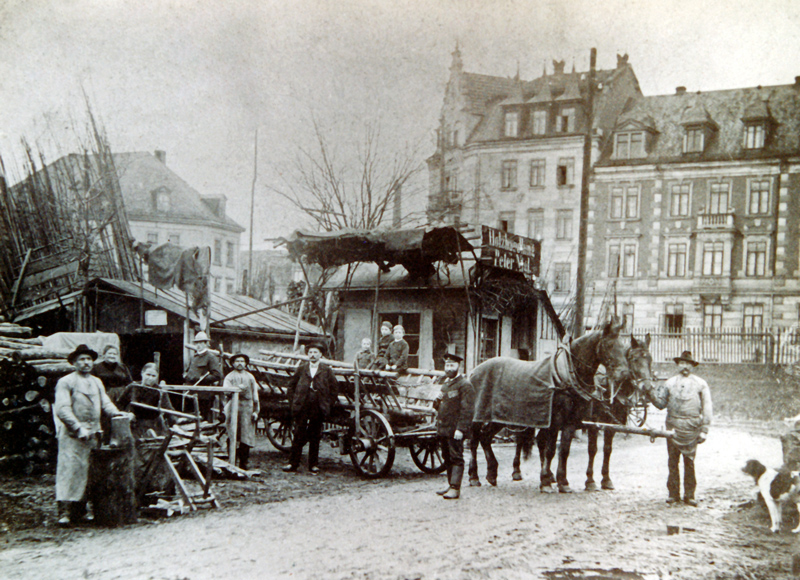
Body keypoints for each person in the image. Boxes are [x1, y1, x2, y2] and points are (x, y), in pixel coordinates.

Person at [53, 344, 127, 526]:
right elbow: (62, 409)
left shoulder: (96, 382)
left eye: (88, 359)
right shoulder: (66, 382)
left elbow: (106, 403)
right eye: (82, 360)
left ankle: (83, 511)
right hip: (73, 435)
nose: (86, 363)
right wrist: (78, 428)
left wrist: (117, 413)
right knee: (70, 472)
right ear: (74, 363)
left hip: (93, 434)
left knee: (89, 473)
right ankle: (65, 513)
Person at [643, 350, 713, 507]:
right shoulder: (670, 382)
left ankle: (689, 495)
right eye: (682, 363)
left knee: (689, 462)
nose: (685, 366)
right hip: (673, 427)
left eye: (688, 363)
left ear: (692, 366)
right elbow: (661, 404)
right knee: (672, 461)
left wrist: (704, 430)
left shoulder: (701, 384)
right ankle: (673, 494)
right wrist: (649, 392)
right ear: (678, 365)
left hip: (691, 428)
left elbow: (707, 408)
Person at [283, 342, 339, 474]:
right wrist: (294, 402)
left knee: (315, 435)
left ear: (320, 355)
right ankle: (293, 463)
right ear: (307, 355)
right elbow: (291, 386)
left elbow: (334, 388)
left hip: (317, 406)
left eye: (315, 352)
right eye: (310, 353)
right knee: (298, 434)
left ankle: (313, 464)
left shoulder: (326, 370)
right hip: (302, 405)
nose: (312, 355)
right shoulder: (302, 368)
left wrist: (327, 403)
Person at [434, 352, 475, 500]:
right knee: (447, 456)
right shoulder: (446, 384)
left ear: (458, 366)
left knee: (456, 457)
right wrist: (437, 401)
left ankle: (455, 488)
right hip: (444, 428)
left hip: (455, 429)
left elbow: (468, 410)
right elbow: (438, 407)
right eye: (447, 365)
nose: (449, 368)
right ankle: (450, 484)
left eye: (452, 365)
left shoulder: (465, 385)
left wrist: (461, 429)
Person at [223, 353, 260, 471]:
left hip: (247, 407)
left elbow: (255, 395)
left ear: (246, 364)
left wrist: (255, 411)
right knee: (232, 432)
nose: (240, 363)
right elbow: (225, 391)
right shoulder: (229, 377)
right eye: (237, 361)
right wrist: (235, 389)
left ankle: (244, 462)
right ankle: (231, 460)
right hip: (233, 406)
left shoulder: (250, 377)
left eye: (242, 361)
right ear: (233, 363)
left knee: (246, 435)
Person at [120, 362, 176, 439]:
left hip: (154, 424)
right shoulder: (133, 387)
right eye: (148, 374)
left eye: (153, 376)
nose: (150, 378)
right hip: (135, 425)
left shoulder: (159, 391)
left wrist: (175, 423)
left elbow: (168, 408)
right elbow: (120, 404)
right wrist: (125, 414)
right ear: (142, 373)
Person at [183, 331, 222, 421]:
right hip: (191, 392)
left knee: (202, 419)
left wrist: (201, 379)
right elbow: (188, 371)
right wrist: (186, 376)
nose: (198, 345)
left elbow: (217, 375)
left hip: (203, 395)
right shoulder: (194, 357)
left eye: (201, 342)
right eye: (197, 342)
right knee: (189, 418)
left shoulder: (211, 357)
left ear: (206, 343)